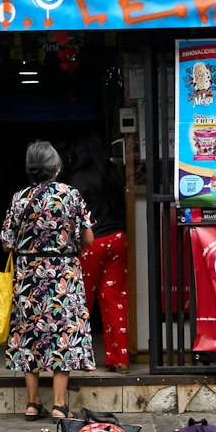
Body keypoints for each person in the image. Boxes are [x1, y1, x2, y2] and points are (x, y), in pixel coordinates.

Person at [0, 140, 96, 421]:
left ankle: (32, 404)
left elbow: (6, 243)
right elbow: (88, 238)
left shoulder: (20, 198)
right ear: (55, 166)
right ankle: (59, 405)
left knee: (29, 336)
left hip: (29, 276)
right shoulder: (70, 195)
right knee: (62, 336)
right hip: (63, 275)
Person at [65, 133, 131, 370]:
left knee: (82, 301)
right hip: (118, 238)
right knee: (115, 299)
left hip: (93, 243)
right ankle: (119, 358)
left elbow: (74, 220)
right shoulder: (114, 175)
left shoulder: (77, 181)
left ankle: (82, 358)